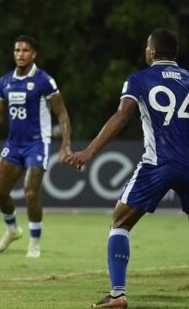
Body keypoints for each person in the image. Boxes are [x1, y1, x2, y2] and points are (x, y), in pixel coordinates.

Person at [66, 29, 189, 309]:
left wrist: (90, 151)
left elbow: (122, 116)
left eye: (147, 47)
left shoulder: (139, 79)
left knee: (120, 222)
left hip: (159, 162)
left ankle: (118, 294)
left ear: (153, 52)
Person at [0, 34, 72, 258]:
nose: (20, 54)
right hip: (14, 145)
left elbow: (61, 113)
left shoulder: (44, 80)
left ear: (34, 54)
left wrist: (65, 145)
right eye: (17, 50)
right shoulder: (5, 81)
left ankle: (34, 242)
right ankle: (13, 230)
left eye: (25, 50)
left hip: (37, 144)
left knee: (30, 192)